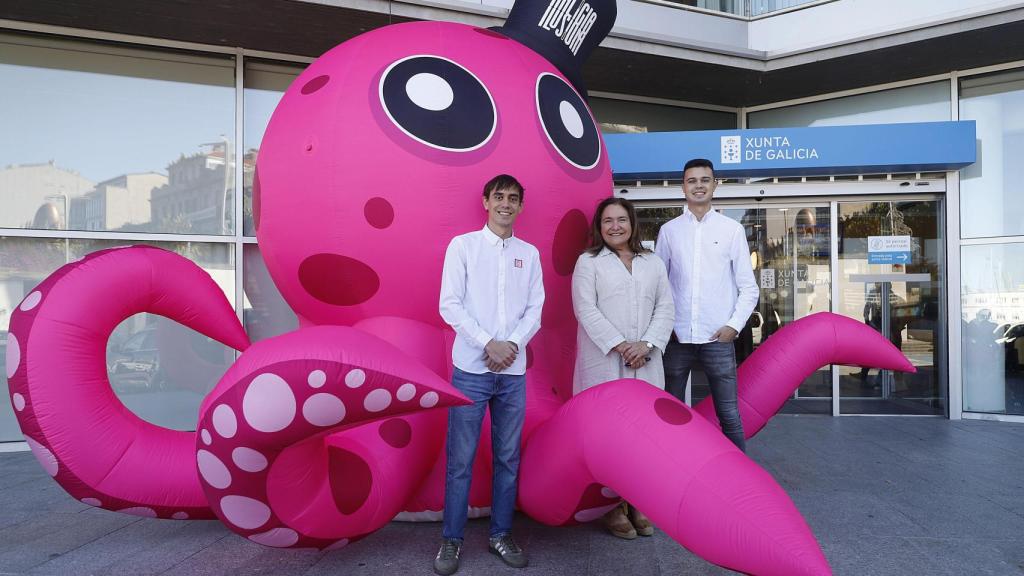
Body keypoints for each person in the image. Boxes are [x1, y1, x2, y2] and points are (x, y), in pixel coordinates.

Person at [435, 174, 544, 576]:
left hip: (512, 372)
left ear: (520, 206)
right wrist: (487, 344)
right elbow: (449, 304)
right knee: (460, 459)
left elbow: (536, 309)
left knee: (508, 458)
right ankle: (452, 540)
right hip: (470, 370)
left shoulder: (528, 254)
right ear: (485, 201)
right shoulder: (463, 246)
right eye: (499, 197)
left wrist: (510, 345)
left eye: (513, 198)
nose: (506, 204)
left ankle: (500, 534)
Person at [571, 196, 674, 539]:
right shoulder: (588, 262)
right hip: (604, 361)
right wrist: (621, 345)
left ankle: (638, 500)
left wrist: (645, 345)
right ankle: (613, 506)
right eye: (607, 221)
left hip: (645, 361)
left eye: (621, 220)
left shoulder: (653, 263)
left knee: (643, 436)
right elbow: (585, 310)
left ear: (632, 224)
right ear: (599, 228)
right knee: (609, 436)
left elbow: (666, 308)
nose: (615, 226)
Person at [655, 158, 758, 451]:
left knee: (729, 415)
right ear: (683, 187)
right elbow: (658, 284)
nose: (698, 185)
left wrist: (733, 327)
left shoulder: (732, 230)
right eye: (692, 180)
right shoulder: (669, 231)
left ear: (714, 184)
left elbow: (749, 288)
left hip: (717, 338)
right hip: (676, 339)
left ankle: (740, 481)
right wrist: (665, 328)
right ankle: (668, 473)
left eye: (704, 180)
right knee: (667, 414)